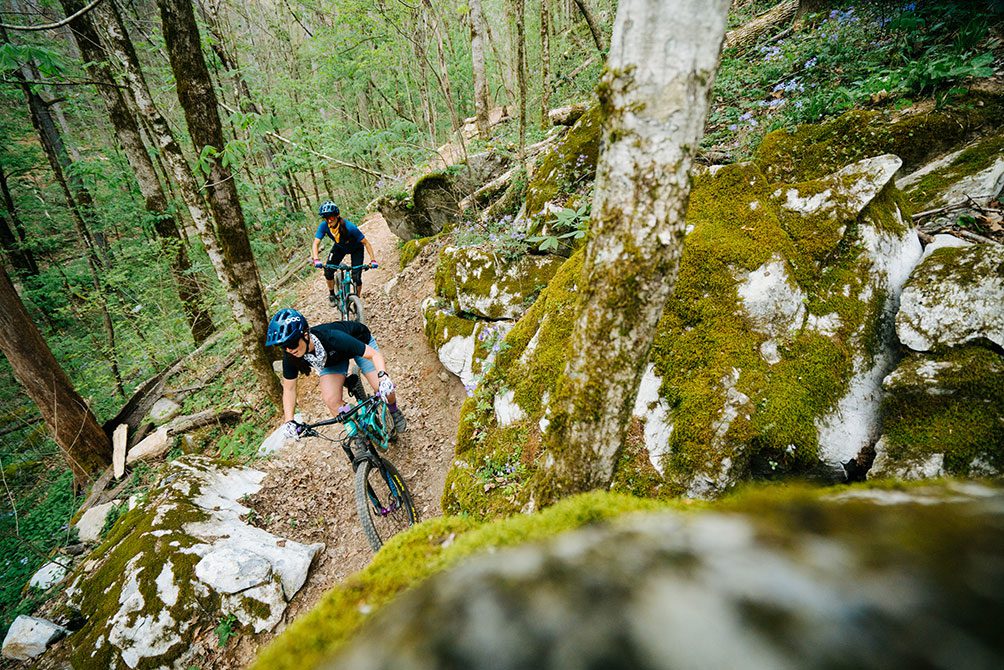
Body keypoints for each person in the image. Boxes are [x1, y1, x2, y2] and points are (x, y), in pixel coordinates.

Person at [266, 307, 407, 438]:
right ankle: (357, 435)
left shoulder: (332, 338)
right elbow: (289, 388)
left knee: (381, 388)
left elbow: (374, 355)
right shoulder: (290, 355)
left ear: (305, 334)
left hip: (358, 341)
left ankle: (394, 411)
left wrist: (383, 376)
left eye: (291, 343)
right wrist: (289, 420)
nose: (289, 349)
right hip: (332, 360)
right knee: (331, 401)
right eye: (283, 346)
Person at [312, 201, 378, 306]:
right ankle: (332, 294)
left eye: (331, 217)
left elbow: (366, 243)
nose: (329, 220)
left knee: (356, 277)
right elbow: (316, 243)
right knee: (328, 271)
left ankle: (357, 300)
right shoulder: (324, 226)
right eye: (326, 218)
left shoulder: (350, 227)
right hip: (339, 248)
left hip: (356, 249)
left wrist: (373, 260)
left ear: (337, 216)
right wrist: (316, 259)